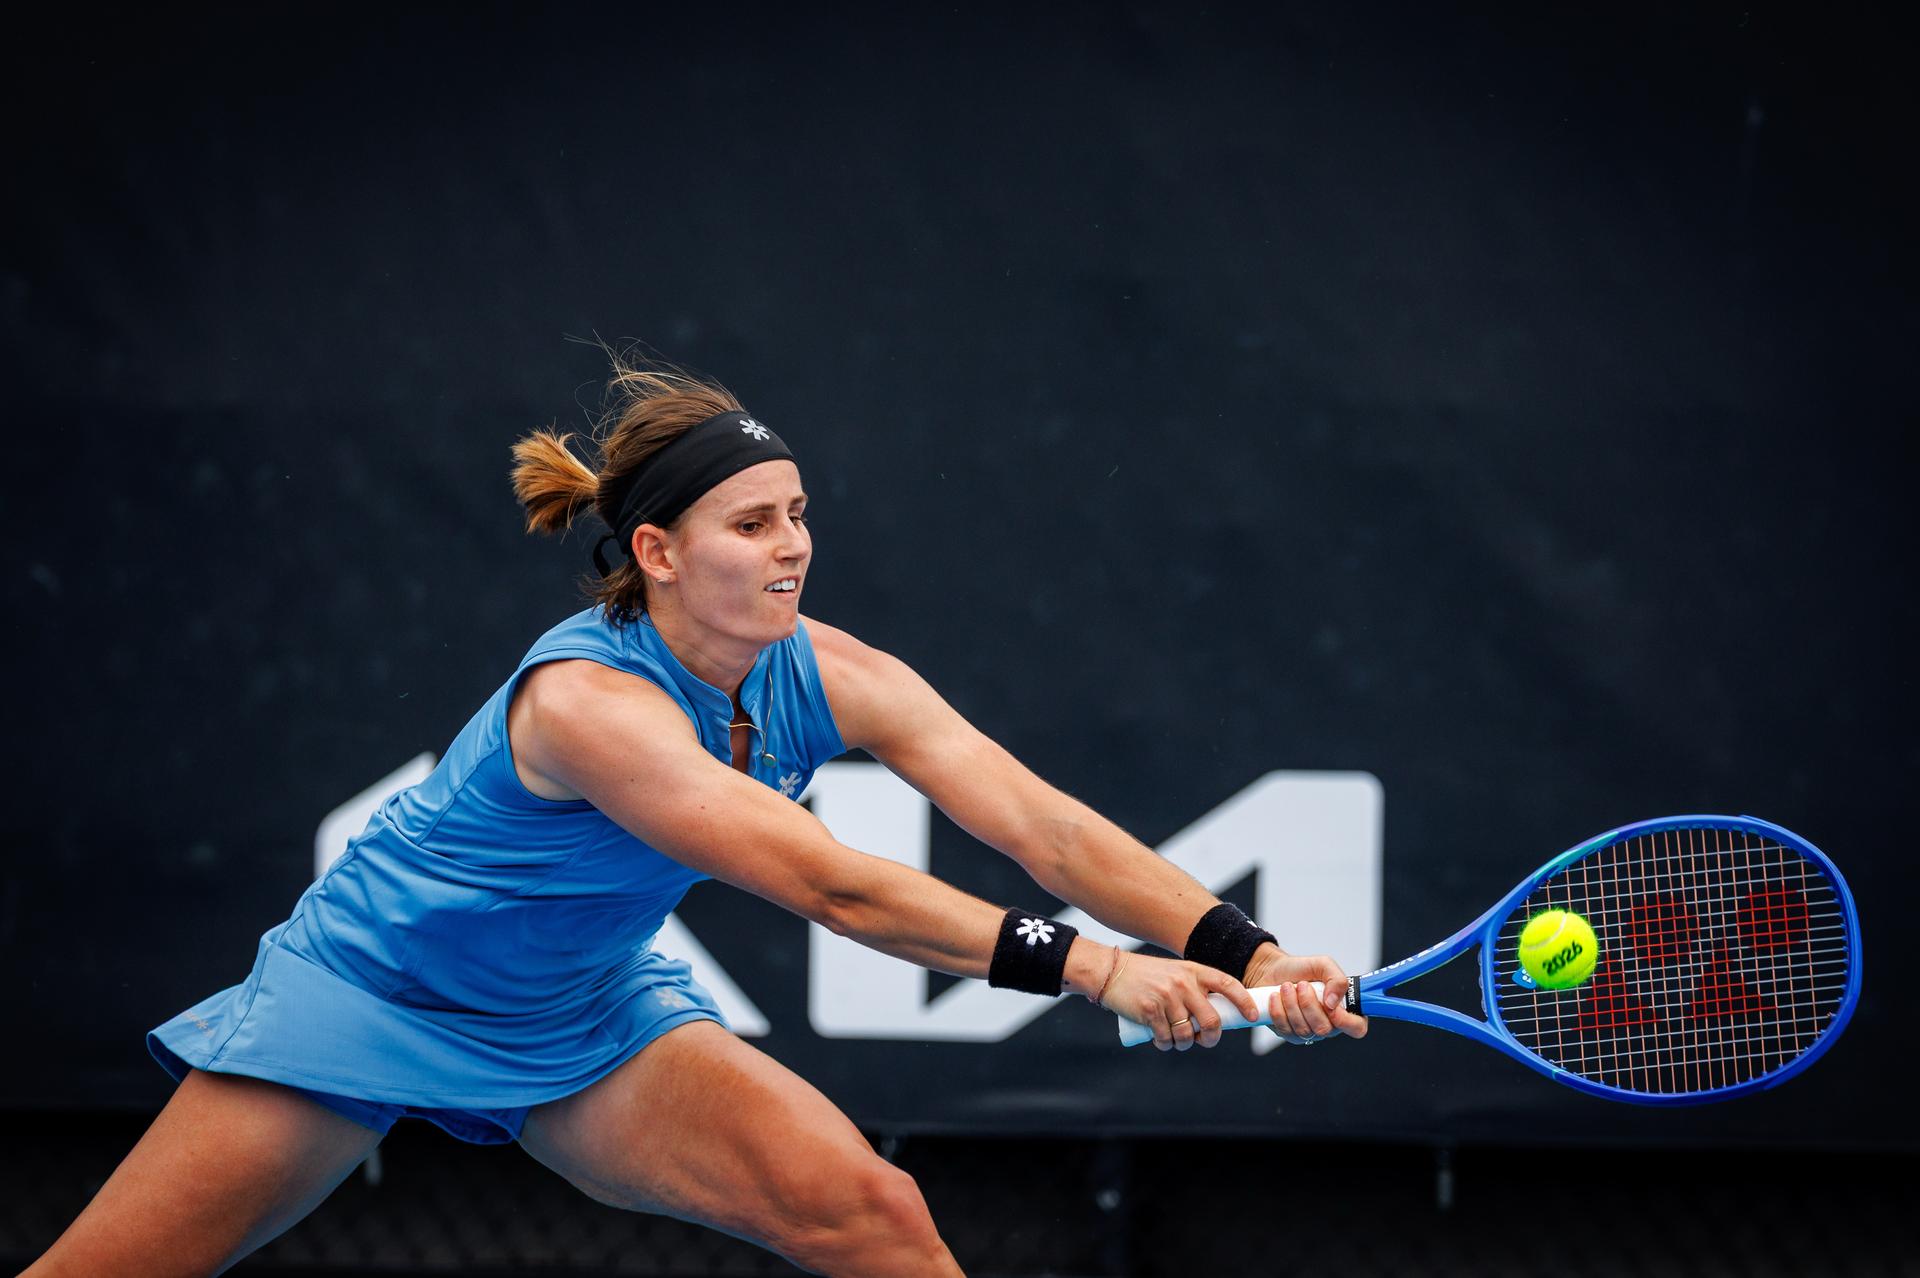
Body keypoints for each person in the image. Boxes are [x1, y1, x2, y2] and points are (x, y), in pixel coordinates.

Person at [28, 356, 1367, 1278]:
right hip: (370, 995)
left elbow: (1047, 828)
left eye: (798, 515)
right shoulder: (586, 707)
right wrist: (1098, 966)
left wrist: (1247, 950)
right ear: (658, 553)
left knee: (871, 1210)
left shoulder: (838, 674)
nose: (790, 544)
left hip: (584, 1014)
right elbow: (833, 887)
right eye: (749, 522)